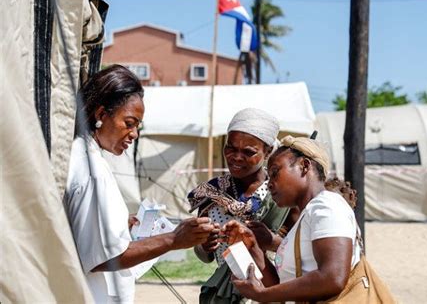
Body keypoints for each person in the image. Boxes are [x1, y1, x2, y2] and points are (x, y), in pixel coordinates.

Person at [64, 65, 214, 303]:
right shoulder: (92, 171)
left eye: (138, 126)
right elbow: (103, 257)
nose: (134, 134)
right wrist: (173, 239)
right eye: (129, 123)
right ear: (101, 115)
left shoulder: (81, 156)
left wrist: (119, 224)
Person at [223, 135, 362, 303]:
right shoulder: (306, 218)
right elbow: (284, 288)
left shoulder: (327, 205)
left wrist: (261, 295)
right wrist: (253, 248)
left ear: (304, 166)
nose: (269, 183)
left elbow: (333, 277)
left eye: (275, 172)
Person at [187, 108, 292, 303]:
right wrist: (205, 246)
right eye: (230, 148)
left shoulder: (282, 195)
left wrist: (269, 241)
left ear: (268, 151)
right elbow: (204, 256)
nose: (236, 157)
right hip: (223, 295)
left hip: (271, 293)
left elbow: (301, 251)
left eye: (248, 152)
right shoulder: (212, 193)